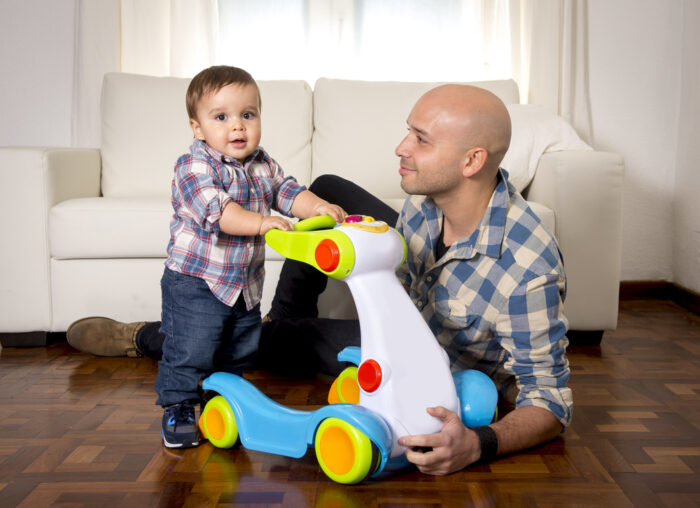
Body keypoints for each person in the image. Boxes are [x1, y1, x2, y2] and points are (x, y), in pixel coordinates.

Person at [67, 83, 573, 474]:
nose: (400, 147)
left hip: (427, 363)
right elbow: (334, 213)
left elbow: (549, 402)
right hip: (400, 321)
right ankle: (282, 318)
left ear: (472, 161)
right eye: (408, 131)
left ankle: (145, 336)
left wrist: (479, 445)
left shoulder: (528, 268)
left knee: (270, 343)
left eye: (420, 139)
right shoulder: (427, 199)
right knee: (328, 189)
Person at [148, 65, 346, 449]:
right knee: (190, 348)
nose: (237, 127)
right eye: (221, 117)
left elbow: (288, 192)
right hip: (195, 281)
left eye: (248, 115)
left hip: (244, 283)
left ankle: (223, 396)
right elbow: (219, 212)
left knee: (240, 345)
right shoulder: (193, 166)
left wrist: (318, 205)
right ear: (197, 127)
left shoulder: (262, 163)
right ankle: (180, 405)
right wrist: (262, 223)